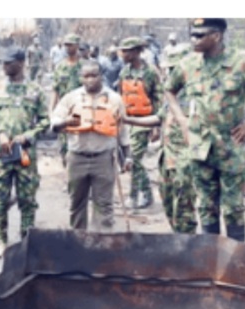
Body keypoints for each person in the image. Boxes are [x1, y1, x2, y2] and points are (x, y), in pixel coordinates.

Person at [163, 18, 245, 242]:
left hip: (231, 146)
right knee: (206, 206)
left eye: (200, 35)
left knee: (233, 208)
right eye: (193, 34)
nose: (193, 39)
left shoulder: (244, 62)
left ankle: (235, 259)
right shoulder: (188, 65)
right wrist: (182, 121)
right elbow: (169, 89)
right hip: (200, 148)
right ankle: (211, 258)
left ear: (217, 36)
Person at [51, 61, 158, 232]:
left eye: (94, 75)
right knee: (77, 203)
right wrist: (66, 122)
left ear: (101, 76)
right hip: (77, 157)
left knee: (104, 205)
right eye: (86, 76)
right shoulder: (71, 98)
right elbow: (54, 122)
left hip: (104, 158)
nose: (90, 80)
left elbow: (122, 131)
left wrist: (128, 156)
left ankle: (103, 243)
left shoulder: (114, 99)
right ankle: (79, 241)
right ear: (81, 78)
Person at [0, 47, 50, 257]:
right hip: (1, 155)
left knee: (27, 200)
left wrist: (28, 135)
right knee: (0, 201)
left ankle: (26, 241)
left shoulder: (35, 90)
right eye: (2, 62)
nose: (4, 66)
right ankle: (2, 241)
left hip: (25, 155)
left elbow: (45, 121)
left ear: (21, 63)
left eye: (8, 63)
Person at [118, 37, 162, 209]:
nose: (123, 54)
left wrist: (156, 126)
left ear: (137, 52)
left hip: (144, 121)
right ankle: (144, 193)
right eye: (123, 50)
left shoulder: (150, 72)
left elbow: (158, 99)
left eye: (127, 51)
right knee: (130, 160)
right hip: (126, 121)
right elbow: (120, 97)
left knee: (134, 158)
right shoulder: (124, 72)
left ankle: (136, 195)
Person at [157, 46, 197, 233]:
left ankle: (188, 246)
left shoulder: (195, 94)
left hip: (186, 158)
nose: (170, 73)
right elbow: (159, 118)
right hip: (167, 158)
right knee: (167, 201)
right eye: (169, 69)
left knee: (184, 207)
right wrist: (126, 118)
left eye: (174, 69)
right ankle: (178, 238)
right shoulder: (171, 94)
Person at [51, 33, 84, 163]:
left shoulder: (85, 66)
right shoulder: (60, 67)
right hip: (64, 111)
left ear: (77, 45)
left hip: (81, 111)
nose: (67, 48)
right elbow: (55, 90)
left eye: (70, 45)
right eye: (66, 45)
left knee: (81, 143)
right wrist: (52, 112)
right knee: (64, 146)